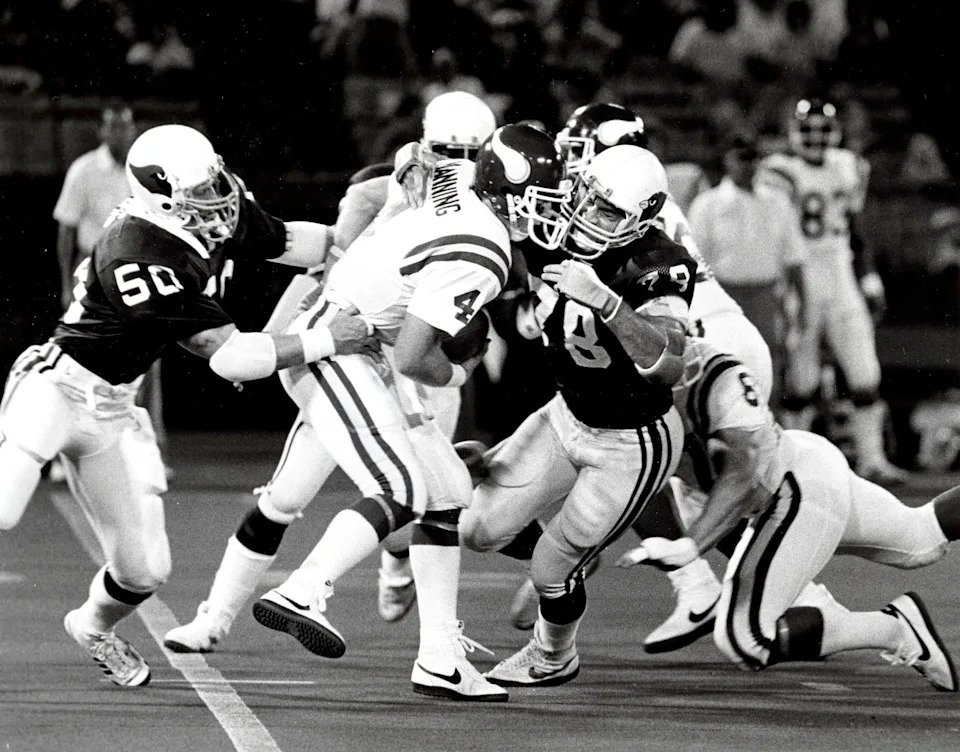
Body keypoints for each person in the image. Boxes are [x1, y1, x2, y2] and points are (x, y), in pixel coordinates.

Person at [0, 124, 377, 688]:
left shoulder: (208, 206)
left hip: (116, 410)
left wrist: (379, 240)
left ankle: (91, 627)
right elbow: (231, 358)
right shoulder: (137, 249)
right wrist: (331, 338)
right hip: (59, 385)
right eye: (199, 192)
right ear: (161, 196)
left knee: (145, 572)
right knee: (4, 506)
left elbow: (290, 241)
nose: (216, 199)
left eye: (212, 183)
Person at [161, 92, 498, 656]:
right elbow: (332, 257)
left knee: (437, 492)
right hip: (359, 361)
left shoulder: (463, 201)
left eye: (468, 153)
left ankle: (428, 624)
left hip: (403, 365)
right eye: (447, 151)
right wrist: (272, 339)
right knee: (306, 495)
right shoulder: (397, 192)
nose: (457, 163)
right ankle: (219, 616)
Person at [248, 124, 570, 702]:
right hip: (339, 345)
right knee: (401, 488)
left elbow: (415, 161)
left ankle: (440, 658)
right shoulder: (482, 252)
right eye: (540, 199)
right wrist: (459, 374)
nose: (547, 213)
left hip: (362, 337)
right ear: (507, 190)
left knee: (448, 491)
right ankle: (302, 591)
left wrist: (409, 167)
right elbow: (414, 356)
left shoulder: (463, 175)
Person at [509, 102, 772, 656]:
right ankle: (731, 586)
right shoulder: (621, 199)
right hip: (707, 330)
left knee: (641, 451)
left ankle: (720, 585)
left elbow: (641, 305)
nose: (570, 163)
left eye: (579, 149)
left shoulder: (624, 206)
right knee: (683, 480)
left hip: (698, 338)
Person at [459, 144, 695, 687]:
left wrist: (610, 305)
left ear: (641, 219)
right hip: (567, 414)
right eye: (587, 198)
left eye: (607, 211)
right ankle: (571, 554)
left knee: (549, 569)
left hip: (632, 439)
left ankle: (553, 654)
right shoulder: (553, 228)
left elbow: (668, 367)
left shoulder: (659, 265)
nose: (587, 214)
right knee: (478, 529)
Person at [617, 337, 958, 693]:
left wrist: (690, 546)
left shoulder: (711, 374)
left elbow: (743, 474)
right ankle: (861, 623)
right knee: (921, 538)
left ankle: (893, 630)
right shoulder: (620, 391)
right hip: (803, 469)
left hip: (794, 489)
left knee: (744, 639)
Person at [755, 97, 906, 485]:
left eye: (823, 130)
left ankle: (871, 459)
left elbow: (855, 228)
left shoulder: (849, 166)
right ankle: (792, 463)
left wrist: (869, 277)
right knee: (801, 379)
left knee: (864, 371)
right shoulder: (777, 171)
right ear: (793, 133)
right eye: (807, 129)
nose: (815, 138)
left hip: (840, 271)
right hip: (798, 273)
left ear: (835, 133)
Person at [51, 104, 167, 473]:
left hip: (136, 273)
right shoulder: (83, 170)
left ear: (133, 130)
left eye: (125, 127)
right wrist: (66, 284)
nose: (120, 134)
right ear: (103, 131)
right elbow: (66, 230)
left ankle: (146, 454)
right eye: (113, 127)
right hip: (91, 271)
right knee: (79, 359)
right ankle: (63, 451)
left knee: (147, 362)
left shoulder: (143, 172)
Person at [687, 132, 807, 406]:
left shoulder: (777, 201)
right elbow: (694, 263)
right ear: (727, 161)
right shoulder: (708, 204)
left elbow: (794, 258)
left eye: (752, 158)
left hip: (765, 295)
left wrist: (802, 305)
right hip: (723, 296)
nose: (747, 165)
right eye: (740, 158)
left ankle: (767, 422)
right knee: (720, 364)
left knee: (768, 364)